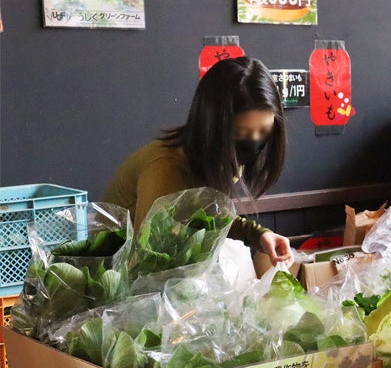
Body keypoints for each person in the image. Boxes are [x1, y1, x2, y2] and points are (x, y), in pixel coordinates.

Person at [104, 57, 293, 266]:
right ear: (212, 125)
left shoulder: (223, 156)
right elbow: (147, 259)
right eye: (241, 132)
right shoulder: (165, 169)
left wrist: (258, 234)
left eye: (264, 131)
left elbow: (209, 213)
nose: (254, 141)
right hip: (119, 271)